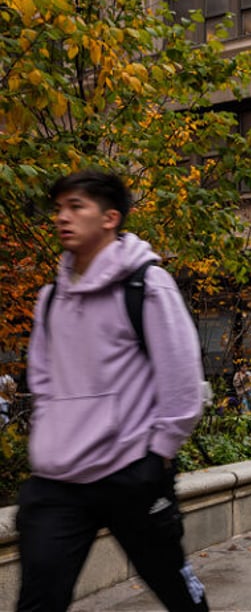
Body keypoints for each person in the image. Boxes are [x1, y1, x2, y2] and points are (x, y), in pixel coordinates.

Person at [17, 170, 208, 611]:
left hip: (129, 473)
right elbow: (42, 382)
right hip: (58, 482)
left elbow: (181, 381)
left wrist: (156, 456)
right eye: (59, 208)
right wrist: (48, 441)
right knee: (38, 600)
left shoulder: (145, 284)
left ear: (110, 218)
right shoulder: (50, 299)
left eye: (76, 206)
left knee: (175, 591)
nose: (62, 217)